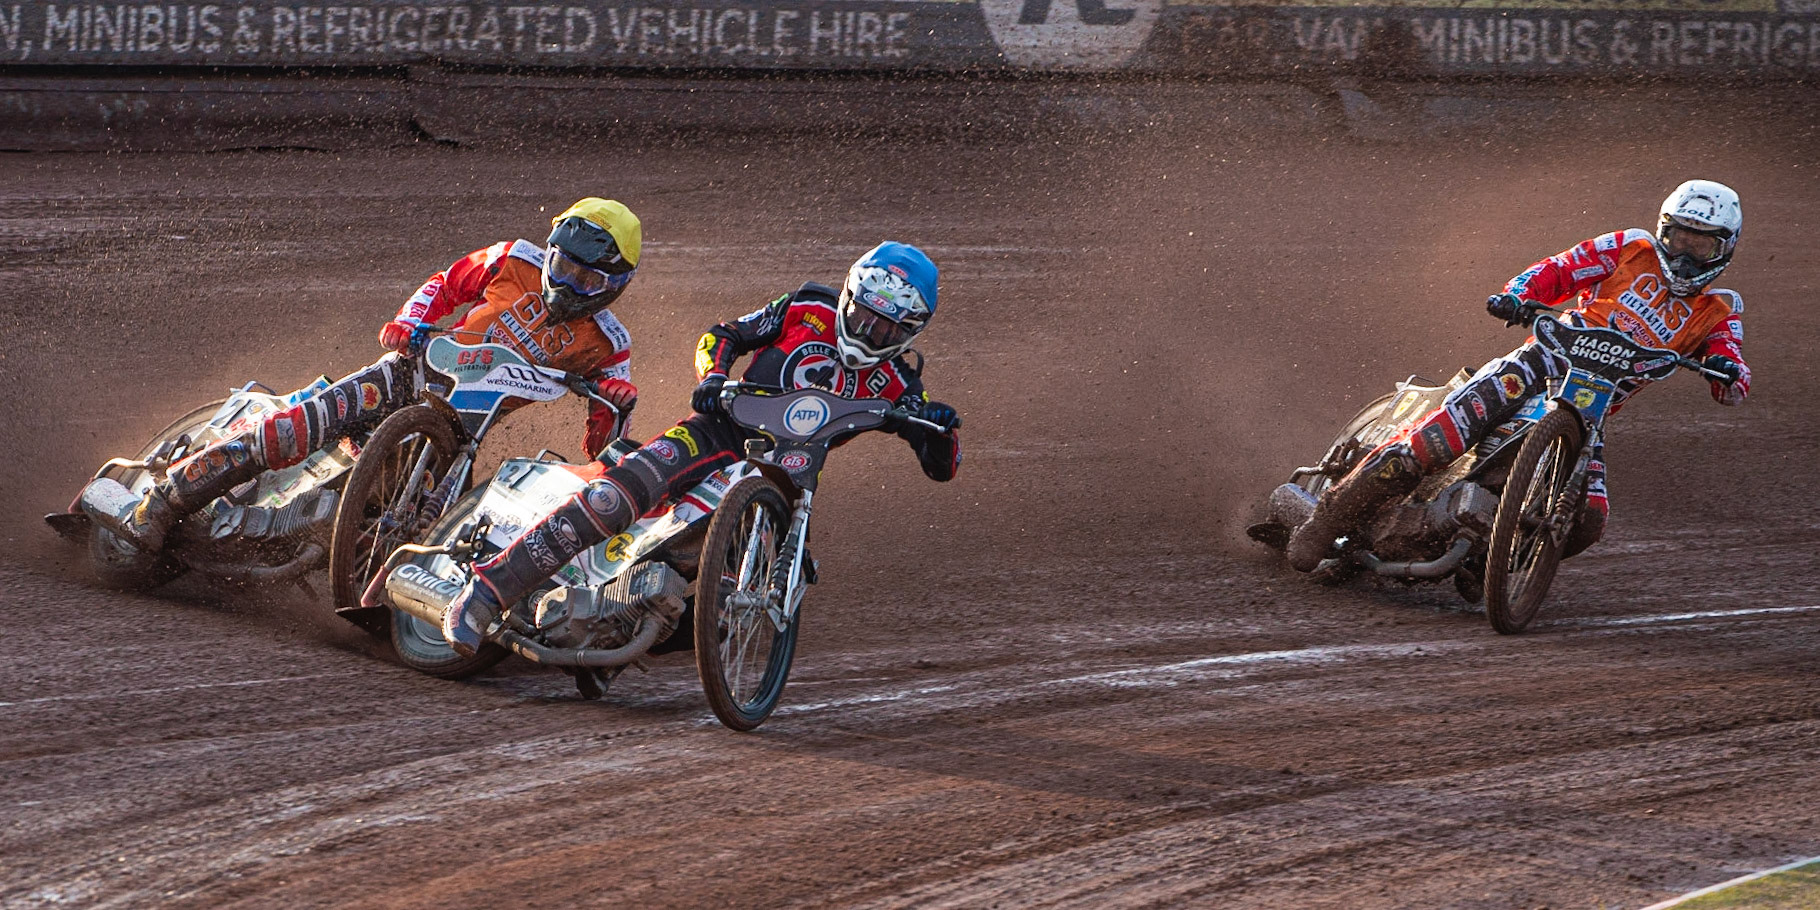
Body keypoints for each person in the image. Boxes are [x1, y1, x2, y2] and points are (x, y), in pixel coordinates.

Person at [439, 240, 963, 655]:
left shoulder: (900, 384)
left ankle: (622, 631)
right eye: (865, 315)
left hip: (788, 478)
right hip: (717, 430)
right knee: (613, 497)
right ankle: (484, 593)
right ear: (849, 296)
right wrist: (712, 376)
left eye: (885, 327)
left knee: (743, 597)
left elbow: (942, 466)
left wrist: (940, 430)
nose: (869, 331)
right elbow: (724, 334)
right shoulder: (807, 306)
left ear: (910, 332)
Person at [98, 198, 645, 553]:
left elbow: (602, 453)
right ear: (550, 252)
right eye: (561, 266)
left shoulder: (609, 344)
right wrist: (409, 322)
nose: (566, 284)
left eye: (586, 279)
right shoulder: (513, 258)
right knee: (295, 429)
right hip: (410, 375)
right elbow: (444, 284)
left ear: (615, 285)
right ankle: (162, 501)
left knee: (432, 525)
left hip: (463, 431)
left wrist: (618, 407)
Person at [1286, 179, 1751, 573]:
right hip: (1540, 362)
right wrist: (1517, 295)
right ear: (1663, 231)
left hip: (1591, 408)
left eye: (1700, 245)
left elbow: (1733, 377)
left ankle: (1496, 564)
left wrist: (1728, 373)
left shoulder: (1720, 310)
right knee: (1440, 439)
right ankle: (1327, 520)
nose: (1685, 255)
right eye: (1678, 239)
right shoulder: (1629, 247)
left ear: (1723, 248)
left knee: (1589, 518)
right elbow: (1559, 270)